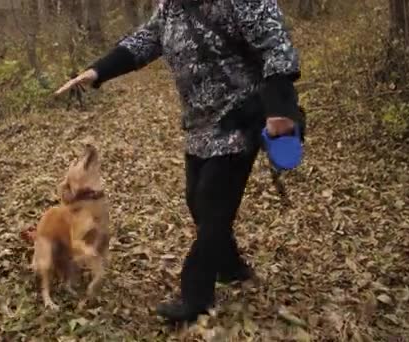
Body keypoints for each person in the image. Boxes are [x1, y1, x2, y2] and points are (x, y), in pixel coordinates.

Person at [54, 0, 305, 323]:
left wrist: (280, 111)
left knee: (213, 206)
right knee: (196, 203)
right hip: (199, 124)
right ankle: (230, 267)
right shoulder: (172, 7)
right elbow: (145, 40)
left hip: (240, 116)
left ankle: (195, 296)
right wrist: (98, 70)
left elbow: (276, 46)